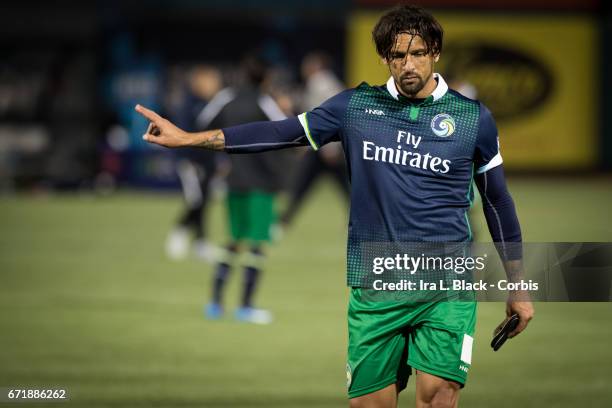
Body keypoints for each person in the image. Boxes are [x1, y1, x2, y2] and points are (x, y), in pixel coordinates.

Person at [135, 5, 534, 407]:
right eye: (397, 56)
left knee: (437, 397)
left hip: (445, 285)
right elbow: (281, 132)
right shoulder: (355, 108)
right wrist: (190, 138)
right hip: (376, 287)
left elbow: (497, 200)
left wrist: (518, 285)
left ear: (435, 52)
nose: (407, 64)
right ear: (384, 58)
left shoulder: (472, 119)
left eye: (417, 54)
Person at [199, 55, 287, 325]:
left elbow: (203, 124)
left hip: (233, 180)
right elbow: (287, 129)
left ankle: (214, 303)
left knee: (233, 240)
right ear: (265, 78)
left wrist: (220, 160)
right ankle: (246, 307)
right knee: (256, 244)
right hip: (261, 183)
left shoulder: (225, 97)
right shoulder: (264, 101)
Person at [279, 52, 350, 226]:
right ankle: (284, 219)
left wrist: (330, 149)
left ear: (315, 66)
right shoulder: (325, 82)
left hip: (326, 147)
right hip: (326, 146)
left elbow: (329, 116)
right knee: (342, 187)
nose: (304, 68)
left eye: (307, 65)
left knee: (303, 185)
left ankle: (284, 221)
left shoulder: (320, 82)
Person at [165, 65, 223, 261]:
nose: (215, 85)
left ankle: (200, 243)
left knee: (205, 201)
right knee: (195, 200)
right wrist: (188, 160)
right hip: (189, 161)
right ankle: (179, 232)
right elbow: (182, 135)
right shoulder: (189, 104)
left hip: (207, 161)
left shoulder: (212, 104)